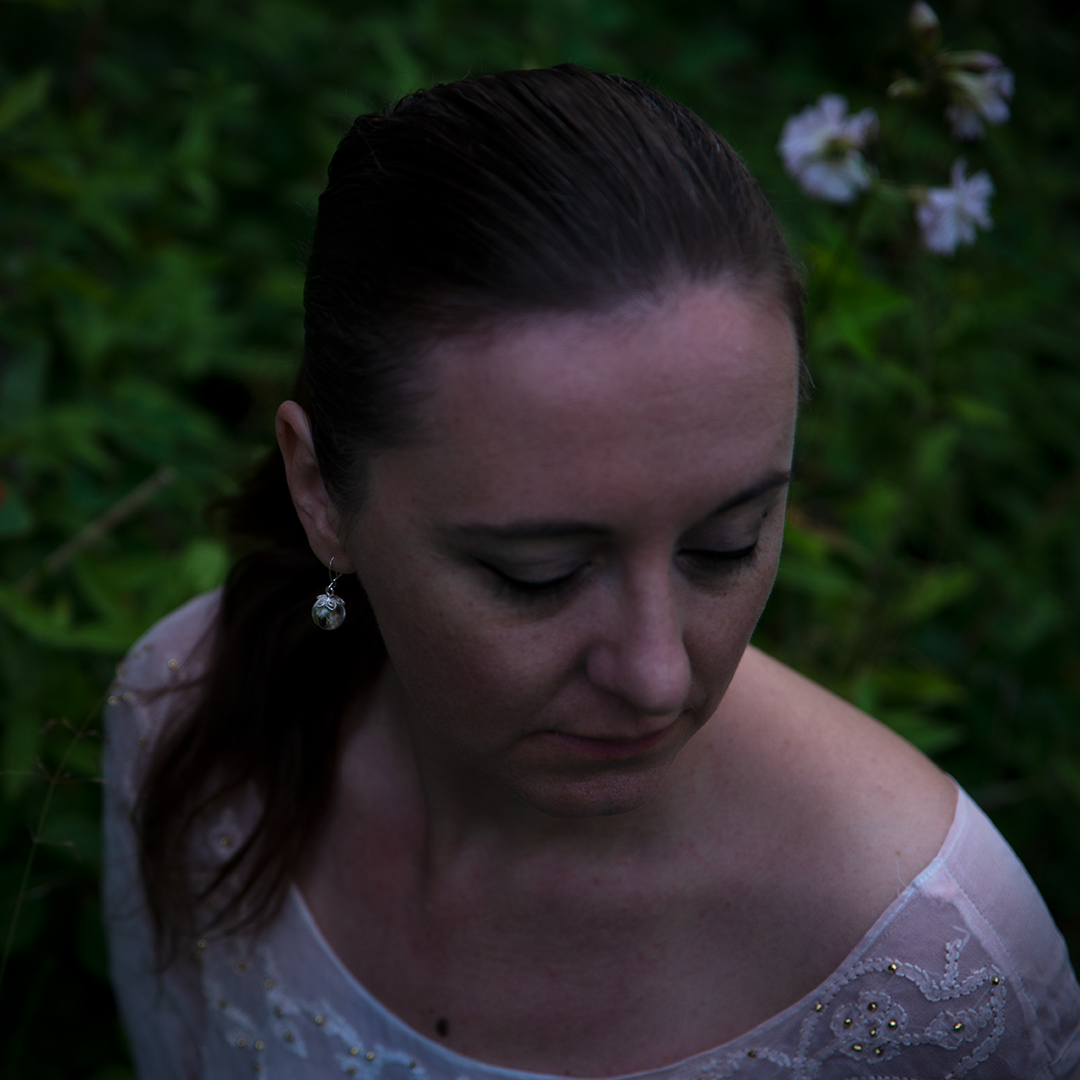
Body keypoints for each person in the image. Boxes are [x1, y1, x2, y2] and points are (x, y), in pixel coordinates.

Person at [102, 64, 1080, 1079]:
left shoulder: (933, 971)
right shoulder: (187, 722)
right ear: (320, 495)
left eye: (726, 547)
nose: (657, 676)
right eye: (538, 575)